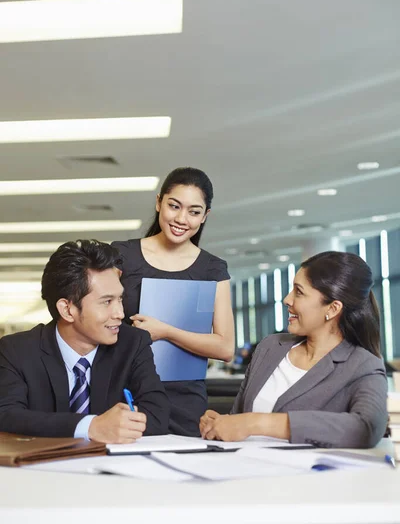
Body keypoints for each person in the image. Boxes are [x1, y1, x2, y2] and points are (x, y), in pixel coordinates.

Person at [200, 251, 388, 449]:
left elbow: (367, 428)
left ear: (332, 309)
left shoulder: (363, 365)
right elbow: (238, 417)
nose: (287, 299)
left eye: (299, 292)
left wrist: (257, 423)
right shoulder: (270, 347)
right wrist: (221, 424)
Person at [0, 240, 169, 442]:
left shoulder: (133, 343)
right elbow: (6, 415)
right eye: (107, 302)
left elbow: (158, 415)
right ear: (67, 310)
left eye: (120, 299)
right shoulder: (16, 350)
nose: (120, 313)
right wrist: (91, 427)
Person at [112, 167, 235, 436]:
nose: (182, 218)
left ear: (205, 216)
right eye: (174, 206)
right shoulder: (122, 255)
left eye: (194, 211)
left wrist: (165, 331)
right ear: (159, 203)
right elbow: (99, 317)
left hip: (185, 399)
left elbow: (225, 347)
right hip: (125, 390)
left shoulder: (212, 269)